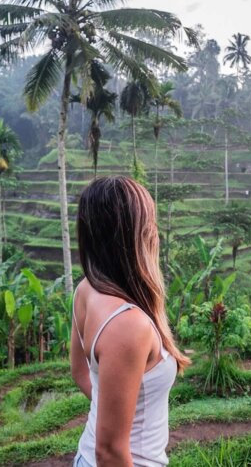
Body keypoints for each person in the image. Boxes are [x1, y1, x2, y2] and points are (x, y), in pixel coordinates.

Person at [71, 176, 191, 467]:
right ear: (128, 236)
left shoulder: (87, 288)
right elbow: (110, 451)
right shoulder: (128, 325)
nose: (154, 231)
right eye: (148, 222)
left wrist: (117, 412)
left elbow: (80, 372)